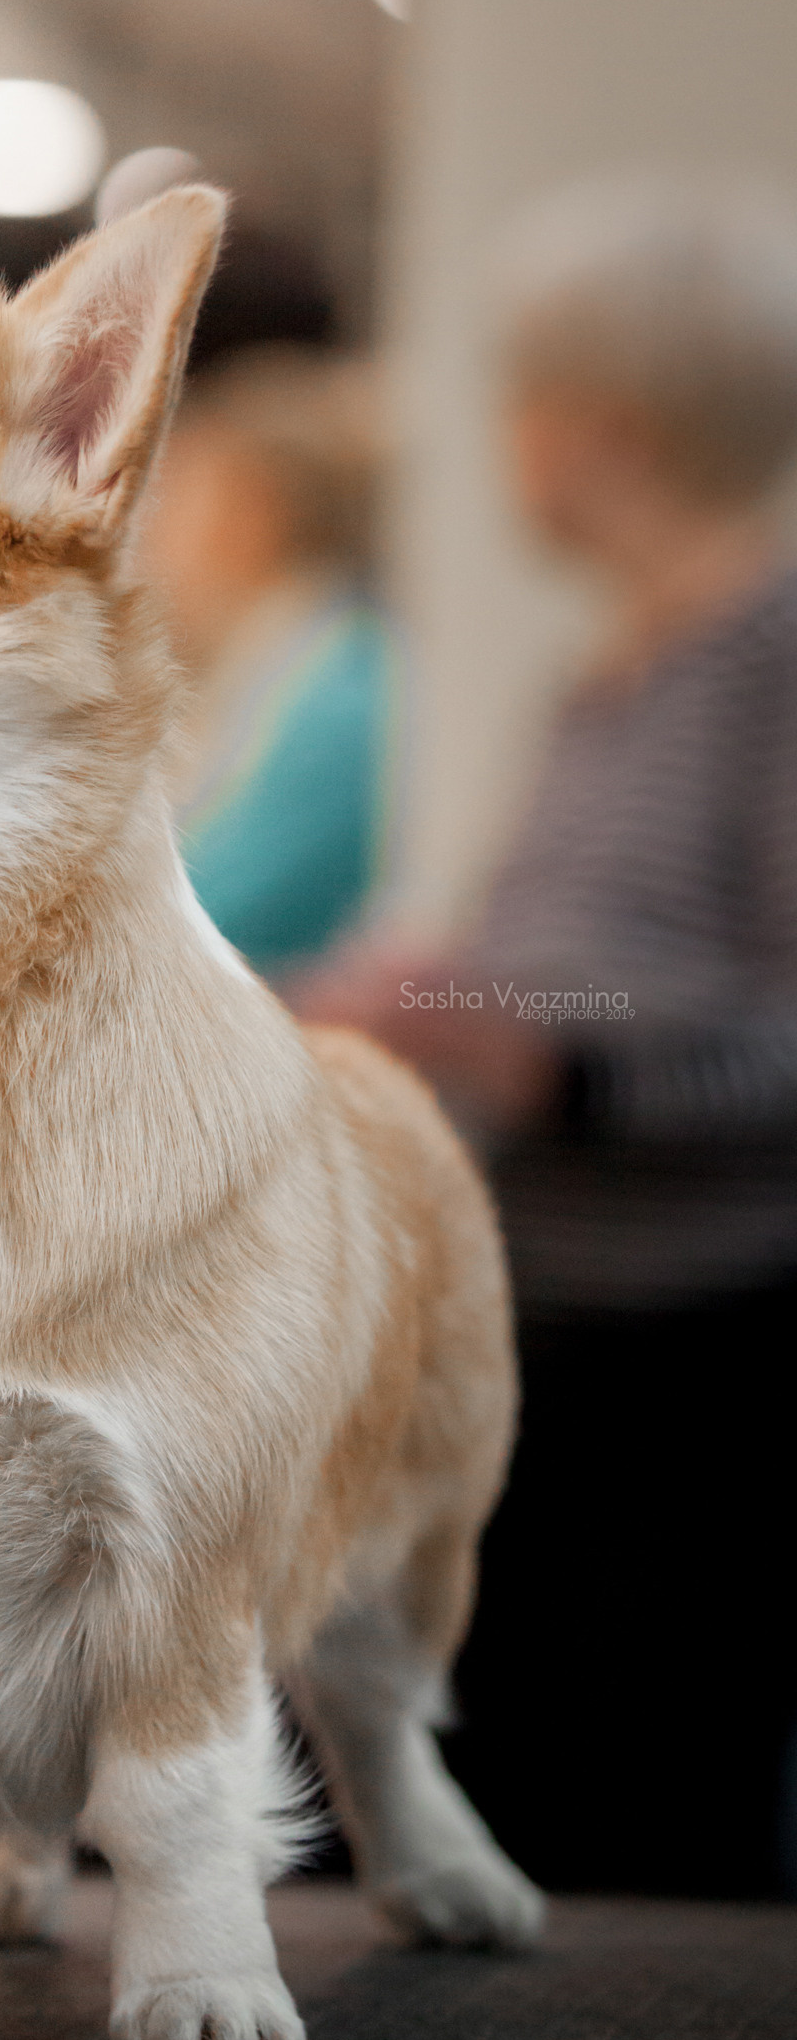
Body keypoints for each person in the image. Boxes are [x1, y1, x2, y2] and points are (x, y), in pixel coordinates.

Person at [304, 176, 797, 1899]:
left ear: (606, 425)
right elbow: (571, 969)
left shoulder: (775, 652)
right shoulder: (615, 673)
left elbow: (757, 1022)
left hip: (707, 1367)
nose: (502, 440)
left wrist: (546, 1047)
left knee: (645, 1846)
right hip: (562, 1326)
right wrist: (441, 996)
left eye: (521, 398)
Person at [141, 348, 396, 982]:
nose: (145, 543)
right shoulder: (281, 666)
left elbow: (208, 914)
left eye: (174, 505)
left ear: (250, 516)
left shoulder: (338, 694)